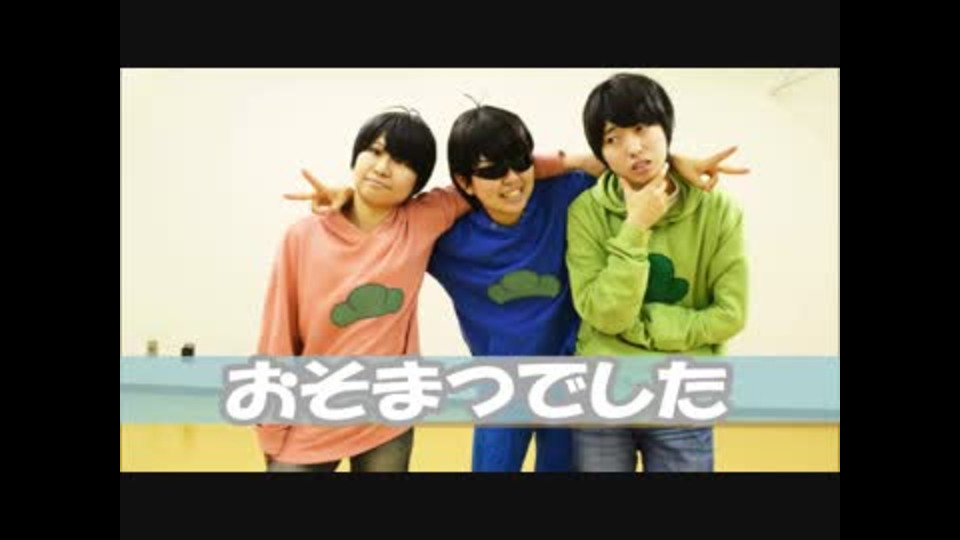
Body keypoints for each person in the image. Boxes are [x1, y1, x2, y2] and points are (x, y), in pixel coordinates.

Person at [289, 103, 746, 472]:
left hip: (571, 380)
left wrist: (677, 163)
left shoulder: (566, 194)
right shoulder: (445, 235)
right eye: (492, 171)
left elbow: (622, 164)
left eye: (519, 163)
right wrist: (350, 197)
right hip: (500, 387)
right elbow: (388, 215)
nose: (511, 179)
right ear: (466, 182)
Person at [565, 72, 749, 472]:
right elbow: (603, 314)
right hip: (603, 391)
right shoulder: (585, 212)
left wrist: (644, 329)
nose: (633, 147)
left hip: (683, 392)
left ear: (666, 128)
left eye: (641, 128)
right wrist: (635, 227)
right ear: (601, 152)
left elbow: (730, 314)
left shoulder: (718, 211)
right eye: (612, 139)